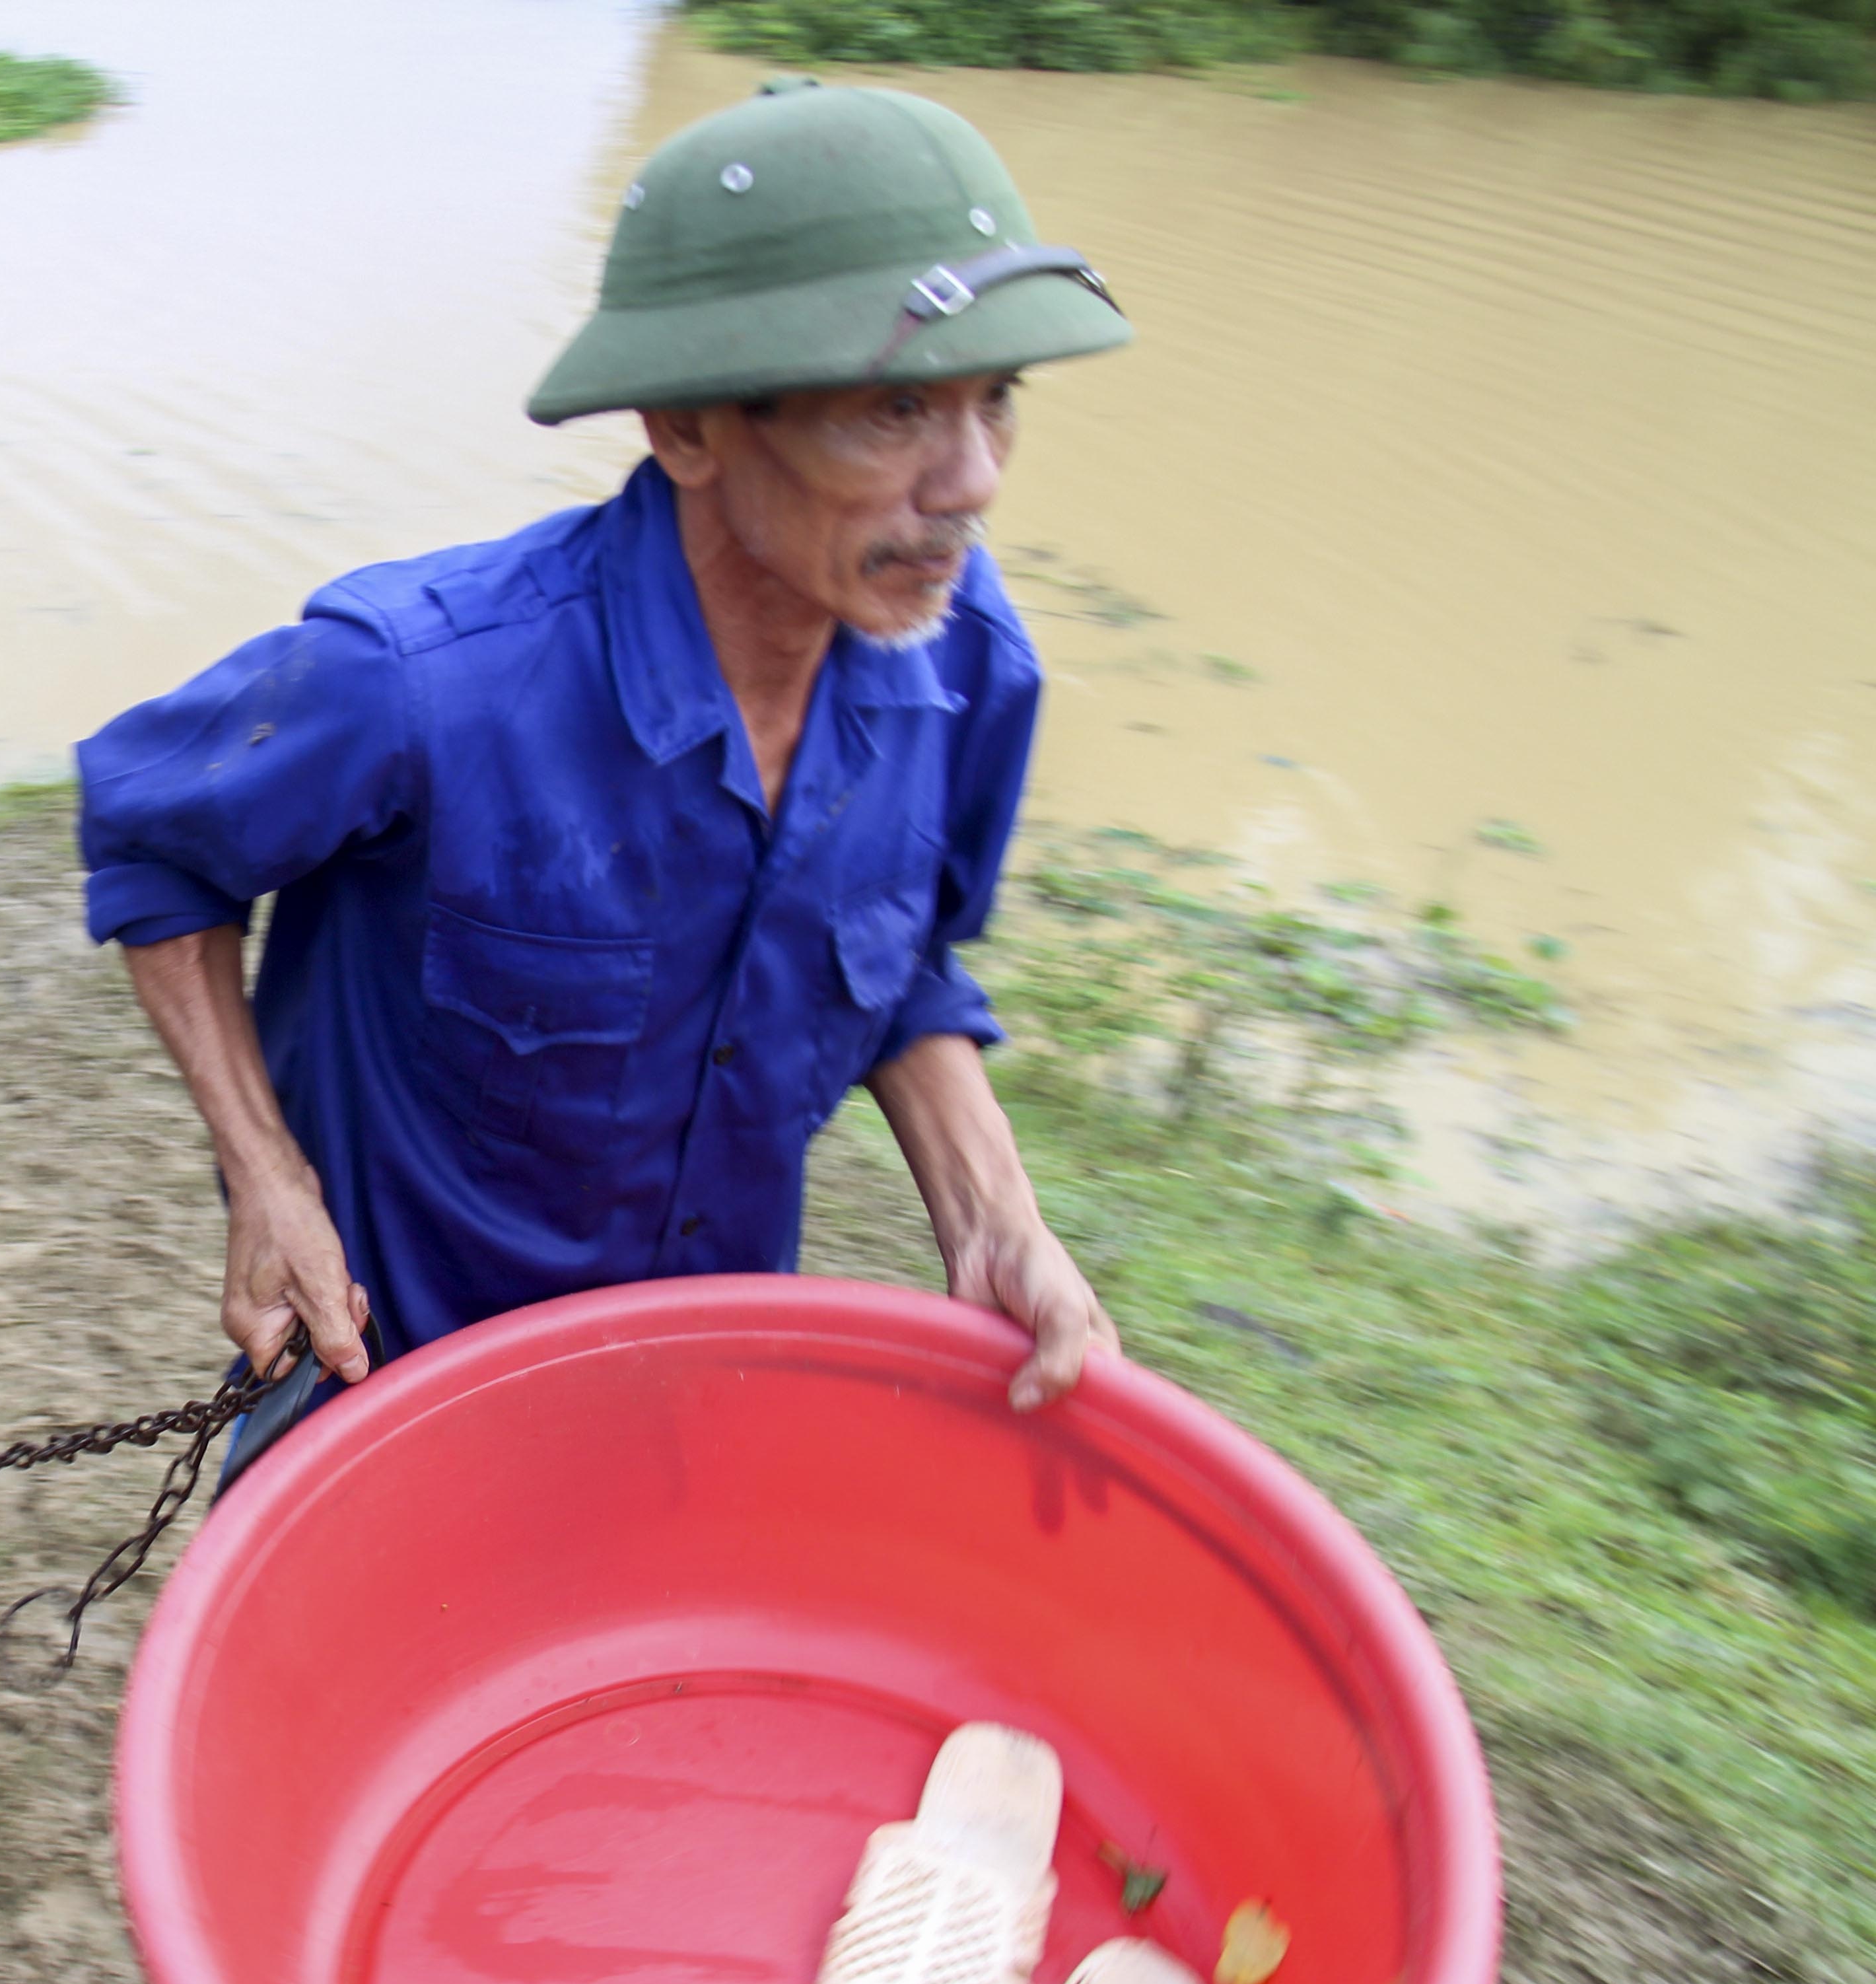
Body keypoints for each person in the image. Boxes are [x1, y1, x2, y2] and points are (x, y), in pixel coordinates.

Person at [84, 79, 1132, 1433]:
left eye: (998, 401)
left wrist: (993, 1215)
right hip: (382, 1400)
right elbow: (155, 845)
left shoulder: (969, 662)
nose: (974, 478)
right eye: (894, 414)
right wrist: (268, 1178)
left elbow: (904, 966)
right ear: (688, 427)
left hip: (694, 1400)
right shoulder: (416, 681)